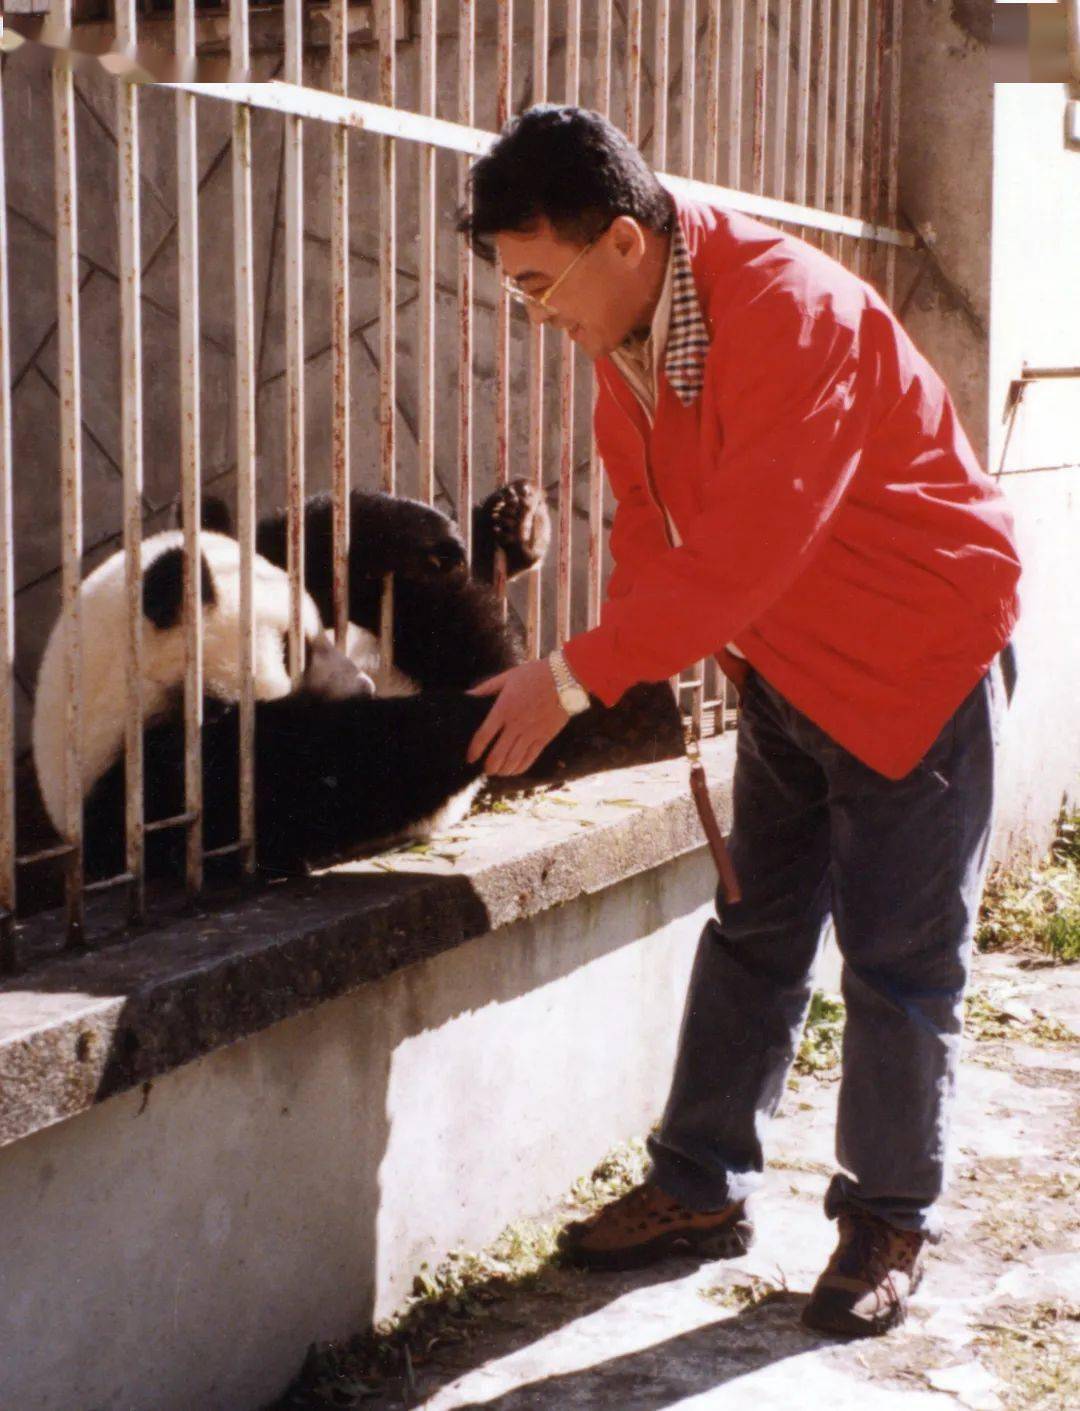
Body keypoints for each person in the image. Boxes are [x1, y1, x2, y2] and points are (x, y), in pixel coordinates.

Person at [458, 105, 1021, 1339]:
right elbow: (651, 534)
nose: (535, 311)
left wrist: (573, 677)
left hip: (917, 661)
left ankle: (887, 1218)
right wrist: (622, 667)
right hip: (789, 670)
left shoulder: (785, 309)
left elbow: (754, 539)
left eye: (541, 281)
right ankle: (698, 1185)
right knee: (756, 929)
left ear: (619, 241)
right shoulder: (631, 332)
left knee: (898, 965)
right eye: (519, 288)